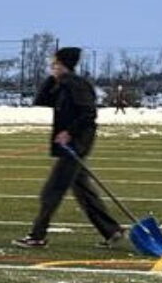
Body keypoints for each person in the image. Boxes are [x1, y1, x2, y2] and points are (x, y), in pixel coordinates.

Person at [14, 47, 122, 249]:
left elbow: (89, 114)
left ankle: (37, 235)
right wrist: (52, 79)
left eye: (55, 63)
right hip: (71, 145)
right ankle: (111, 230)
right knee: (83, 191)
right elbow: (41, 100)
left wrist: (69, 132)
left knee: (51, 192)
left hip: (75, 145)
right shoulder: (63, 84)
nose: (51, 65)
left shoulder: (77, 85)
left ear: (63, 63)